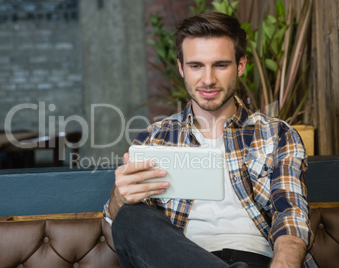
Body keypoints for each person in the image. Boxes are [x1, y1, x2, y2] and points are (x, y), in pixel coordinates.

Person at [103, 12, 317, 268]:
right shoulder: (153, 139)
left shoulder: (277, 135)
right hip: (178, 261)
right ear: (181, 68)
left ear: (240, 65)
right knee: (130, 217)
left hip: (259, 261)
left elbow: (291, 221)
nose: (208, 80)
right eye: (196, 66)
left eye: (220, 65)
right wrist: (119, 200)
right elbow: (124, 236)